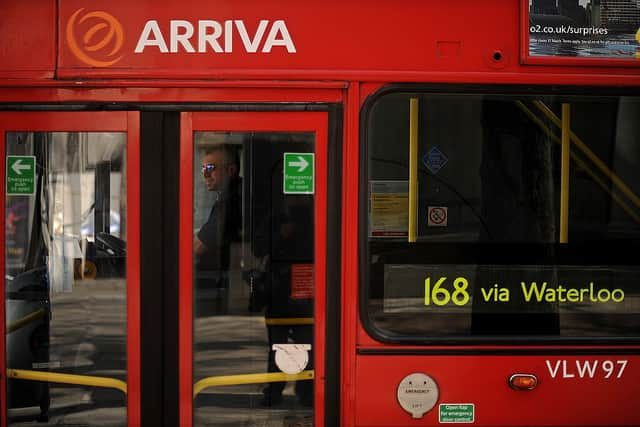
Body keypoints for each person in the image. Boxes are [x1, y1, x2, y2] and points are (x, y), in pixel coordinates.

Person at [194, 145, 242, 315]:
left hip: (235, 287)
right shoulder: (229, 196)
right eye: (203, 169)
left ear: (230, 170)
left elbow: (200, 246)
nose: (205, 174)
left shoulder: (231, 201)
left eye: (210, 168)